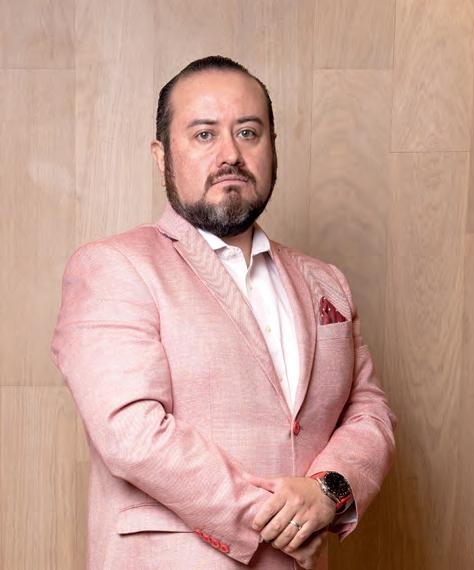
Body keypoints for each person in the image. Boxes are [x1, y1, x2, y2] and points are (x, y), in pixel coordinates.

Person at [51, 55, 396, 570]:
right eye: (204, 134)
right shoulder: (113, 267)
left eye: (248, 132)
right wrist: (281, 520)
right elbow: (131, 431)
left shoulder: (327, 281)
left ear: (273, 149)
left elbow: (369, 412)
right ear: (162, 156)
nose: (230, 154)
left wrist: (329, 493)